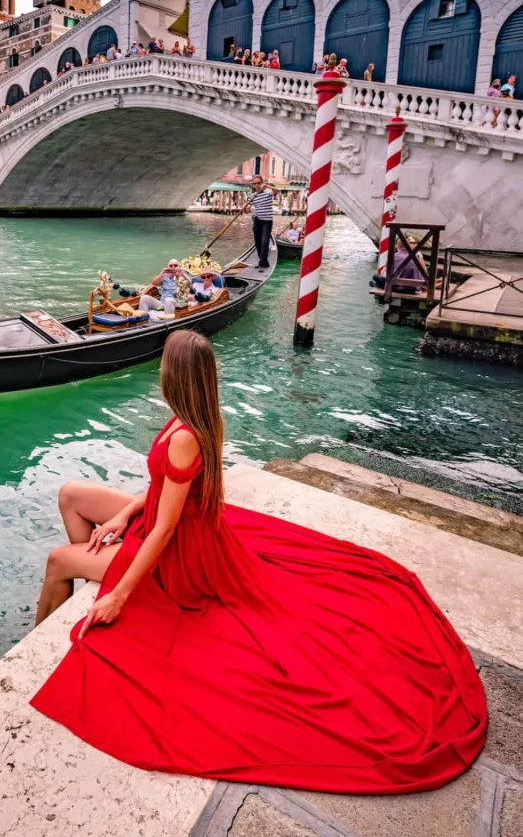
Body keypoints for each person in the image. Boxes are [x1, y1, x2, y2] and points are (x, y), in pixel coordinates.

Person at [31, 330, 486, 793]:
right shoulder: (192, 417)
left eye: (165, 362)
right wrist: (126, 513)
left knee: (55, 561)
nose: (161, 368)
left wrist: (121, 595)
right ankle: (95, 567)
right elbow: (162, 492)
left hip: (177, 554)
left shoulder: (183, 438)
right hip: (163, 521)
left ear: (177, 375)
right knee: (71, 495)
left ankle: (63, 615)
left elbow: (166, 528)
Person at [247, 174, 276, 269]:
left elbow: (277, 191)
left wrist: (267, 186)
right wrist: (245, 208)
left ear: (262, 183)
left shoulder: (268, 192)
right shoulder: (252, 196)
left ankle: (263, 262)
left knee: (264, 242)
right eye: (255, 184)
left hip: (267, 221)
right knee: (258, 242)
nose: (257, 185)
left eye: (258, 183)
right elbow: (248, 207)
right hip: (257, 220)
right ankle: (262, 260)